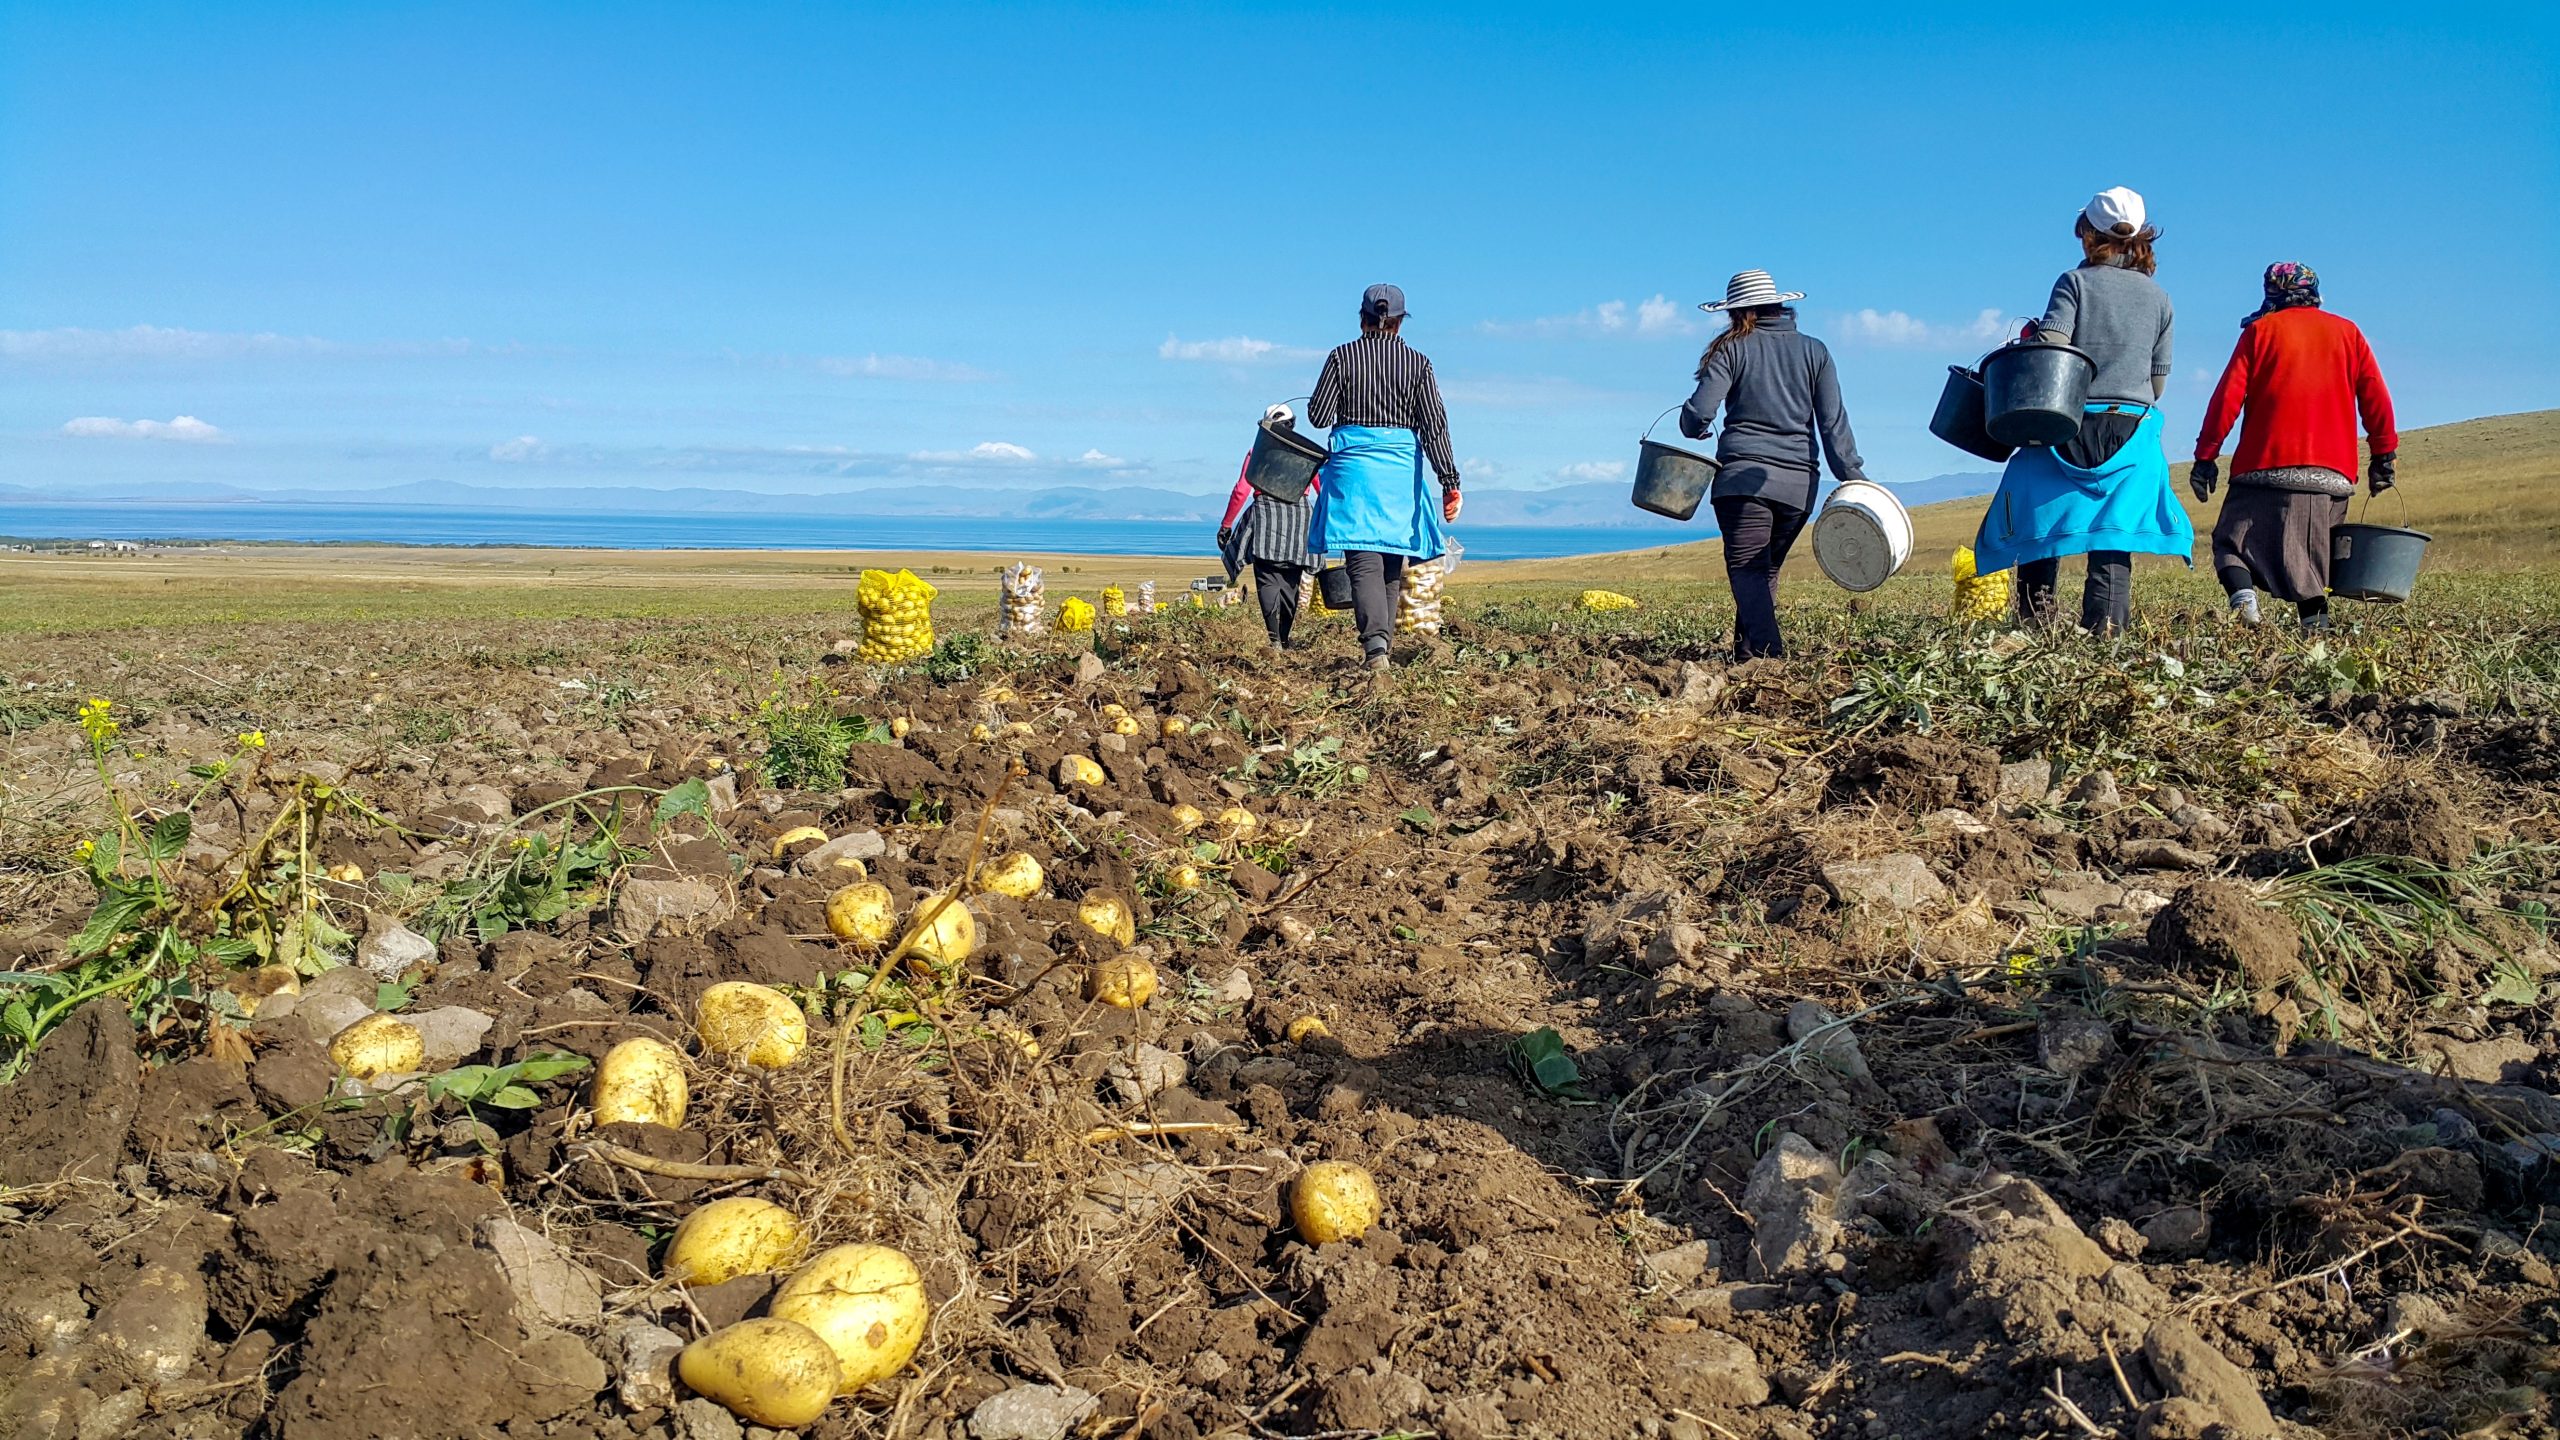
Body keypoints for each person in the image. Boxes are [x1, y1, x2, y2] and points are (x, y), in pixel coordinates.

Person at [1974, 186, 2192, 634]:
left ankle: (2036, 626)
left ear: (2088, 234)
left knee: (2040, 521)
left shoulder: (2073, 283)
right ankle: (2106, 633)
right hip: (2131, 429)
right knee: (2112, 534)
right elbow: (2158, 382)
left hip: (2067, 424)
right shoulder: (2161, 299)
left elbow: (2052, 347)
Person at [2190, 262, 2398, 630]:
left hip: (2262, 468)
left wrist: (2206, 456)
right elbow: (2376, 399)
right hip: (2330, 475)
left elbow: (2227, 398)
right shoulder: (2348, 333)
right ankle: (2315, 634)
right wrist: (2383, 456)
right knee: (2313, 562)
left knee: (2231, 543)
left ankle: (2245, 603)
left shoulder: (2260, 331)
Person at [1678, 269, 1867, 660]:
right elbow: (1833, 424)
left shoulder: (1731, 349)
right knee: (1763, 572)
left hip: (1742, 481)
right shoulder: (1816, 351)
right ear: (1781, 306)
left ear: (1737, 312)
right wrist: (1856, 479)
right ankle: (1745, 655)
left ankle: (1767, 657)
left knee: (1748, 569)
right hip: (1799, 486)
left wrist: (1692, 426)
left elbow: (1700, 412)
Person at [1306, 283, 1463, 673]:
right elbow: (1435, 426)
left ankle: (1376, 649)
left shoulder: (1342, 357)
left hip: (1354, 474)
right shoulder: (1419, 364)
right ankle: (1382, 650)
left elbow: (1319, 416)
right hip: (1398, 476)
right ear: (1399, 322)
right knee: (1391, 563)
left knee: (1363, 560)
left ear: (1362, 317)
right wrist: (1449, 481)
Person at [1218, 404, 1323, 649]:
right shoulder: (1305, 453)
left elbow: (1241, 490)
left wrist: (1226, 524)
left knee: (1267, 578)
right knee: (1291, 580)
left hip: (1266, 513)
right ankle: (1284, 638)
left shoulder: (1258, 451)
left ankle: (1275, 639)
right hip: (1300, 515)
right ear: (1293, 424)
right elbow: (1322, 487)